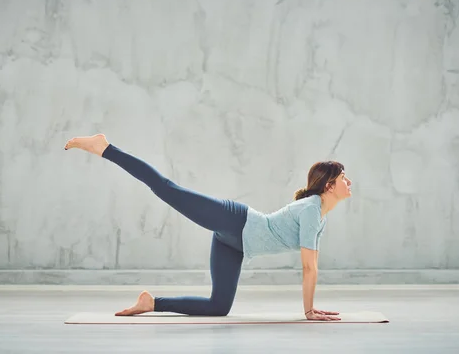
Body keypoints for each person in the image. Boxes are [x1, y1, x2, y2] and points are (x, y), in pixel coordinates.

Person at [64, 134, 352, 321]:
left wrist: (309, 309)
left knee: (219, 307)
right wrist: (308, 311)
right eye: (343, 178)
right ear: (329, 185)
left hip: (236, 244)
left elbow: (309, 266)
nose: (348, 182)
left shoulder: (317, 214)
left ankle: (151, 303)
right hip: (235, 221)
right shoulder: (313, 209)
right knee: (167, 189)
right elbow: (309, 268)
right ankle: (105, 147)